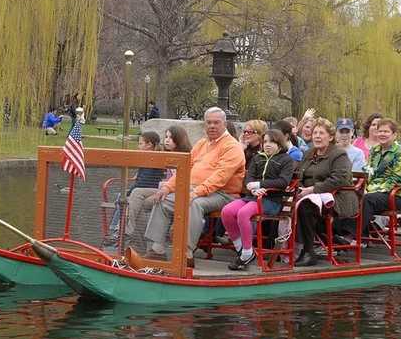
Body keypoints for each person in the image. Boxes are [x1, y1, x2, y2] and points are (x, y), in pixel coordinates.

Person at [144, 107, 245, 267]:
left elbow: (220, 178)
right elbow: (184, 169)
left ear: (224, 124)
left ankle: (186, 253)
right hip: (195, 189)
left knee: (193, 203)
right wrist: (167, 188)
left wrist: (195, 193)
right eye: (209, 122)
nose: (212, 126)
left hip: (223, 194)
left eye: (216, 122)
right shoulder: (202, 143)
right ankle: (157, 250)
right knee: (162, 200)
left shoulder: (232, 147)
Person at [221, 130, 295, 271]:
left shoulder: (286, 160)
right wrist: (252, 188)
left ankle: (247, 253)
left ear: (279, 144)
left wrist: (261, 185)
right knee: (227, 211)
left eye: (272, 142)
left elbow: (283, 182)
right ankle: (241, 248)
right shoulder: (257, 158)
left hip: (272, 201)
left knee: (243, 214)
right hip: (253, 196)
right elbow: (249, 178)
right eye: (265, 141)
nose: (267, 145)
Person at [294, 118, 356, 267]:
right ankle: (288, 248)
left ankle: (308, 252)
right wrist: (301, 188)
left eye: (321, 133)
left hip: (337, 196)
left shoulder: (339, 154)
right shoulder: (310, 153)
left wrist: (313, 189)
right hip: (309, 194)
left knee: (306, 207)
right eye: (315, 133)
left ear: (331, 136)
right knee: (288, 203)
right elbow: (299, 174)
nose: (317, 136)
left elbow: (339, 179)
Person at [360, 119, 401, 237]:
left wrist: (372, 189)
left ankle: (353, 236)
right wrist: (365, 187)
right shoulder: (375, 150)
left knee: (367, 199)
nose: (382, 134)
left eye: (386, 131)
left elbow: (397, 179)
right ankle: (356, 235)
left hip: (396, 195)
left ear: (394, 135)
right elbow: (369, 170)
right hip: (375, 192)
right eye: (380, 131)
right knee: (353, 196)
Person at [122, 132, 168, 247]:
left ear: (149, 145)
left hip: (157, 189)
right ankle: (141, 242)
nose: (138, 146)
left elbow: (143, 183)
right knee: (138, 205)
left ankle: (127, 231)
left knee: (135, 193)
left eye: (140, 143)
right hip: (147, 191)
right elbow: (140, 180)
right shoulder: (145, 157)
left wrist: (128, 193)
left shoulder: (154, 158)